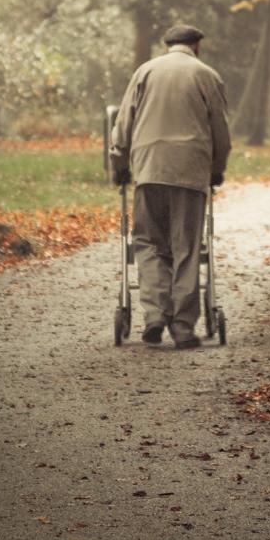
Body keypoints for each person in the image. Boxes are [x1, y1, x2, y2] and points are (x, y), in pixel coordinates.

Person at [110, 23, 231, 349]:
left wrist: (120, 166)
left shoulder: (145, 72)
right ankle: (182, 328)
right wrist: (216, 170)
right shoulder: (206, 75)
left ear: (168, 46)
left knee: (149, 243)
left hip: (149, 170)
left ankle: (154, 316)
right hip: (190, 173)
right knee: (187, 248)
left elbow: (123, 125)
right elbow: (220, 130)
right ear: (197, 47)